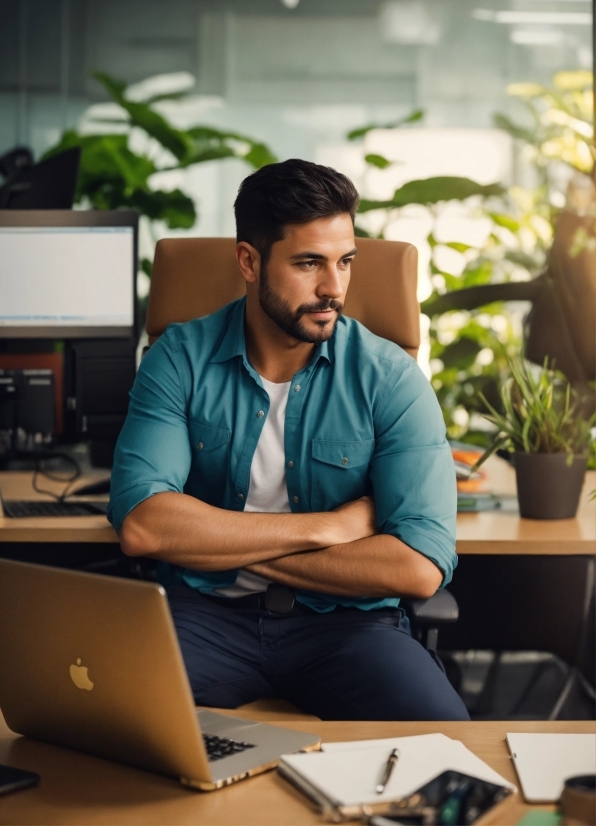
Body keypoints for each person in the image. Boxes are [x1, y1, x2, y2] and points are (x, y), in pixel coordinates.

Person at [108, 159, 469, 721]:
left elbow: (418, 565)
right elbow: (145, 525)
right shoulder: (178, 358)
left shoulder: (389, 378)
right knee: (104, 729)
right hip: (204, 619)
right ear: (249, 261)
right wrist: (326, 530)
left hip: (350, 627)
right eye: (309, 264)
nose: (334, 288)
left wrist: (219, 547)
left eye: (345, 262)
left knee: (445, 740)